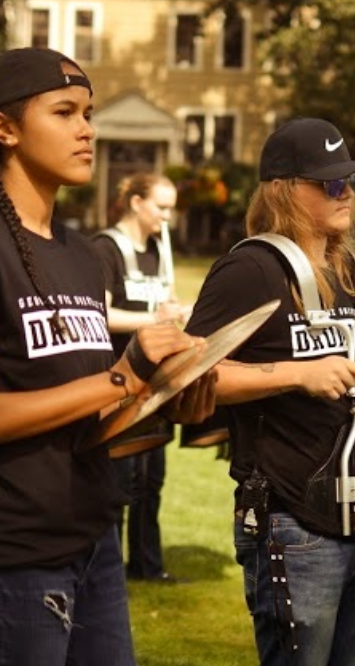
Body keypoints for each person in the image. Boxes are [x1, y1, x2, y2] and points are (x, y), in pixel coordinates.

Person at [185, 117, 355, 666]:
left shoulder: (349, 273)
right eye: (332, 183)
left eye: (352, 183)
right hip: (290, 523)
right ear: (284, 189)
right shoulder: (250, 269)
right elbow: (191, 376)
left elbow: (346, 373)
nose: (348, 194)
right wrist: (298, 373)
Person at [0, 46, 216, 666]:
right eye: (64, 111)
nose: (87, 129)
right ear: (7, 128)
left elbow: (91, 409)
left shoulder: (79, 253)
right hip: (19, 559)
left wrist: (167, 399)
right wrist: (123, 376)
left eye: (88, 112)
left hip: (95, 542)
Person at [93, 172, 191, 583]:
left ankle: (147, 565)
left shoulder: (157, 250)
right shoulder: (106, 249)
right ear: (135, 202)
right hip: (119, 380)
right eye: (160, 207)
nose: (167, 217)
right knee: (121, 481)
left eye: (171, 208)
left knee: (152, 478)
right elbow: (100, 313)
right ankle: (108, 569)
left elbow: (163, 301)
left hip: (155, 384)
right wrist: (153, 319)